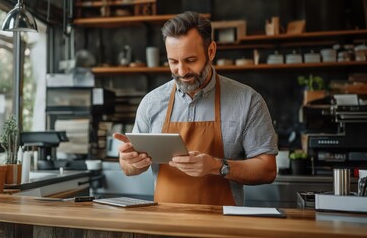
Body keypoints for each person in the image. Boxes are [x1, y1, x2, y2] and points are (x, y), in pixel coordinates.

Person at [113, 11, 278, 206]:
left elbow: (268, 170)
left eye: (190, 60)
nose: (181, 71)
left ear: (211, 51)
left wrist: (217, 166)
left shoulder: (248, 101)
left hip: (223, 227)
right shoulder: (152, 102)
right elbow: (127, 168)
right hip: (164, 226)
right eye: (173, 62)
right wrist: (130, 161)